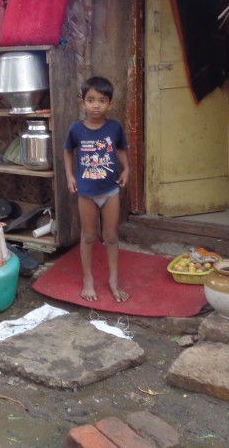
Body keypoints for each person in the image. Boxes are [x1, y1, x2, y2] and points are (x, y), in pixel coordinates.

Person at [63, 76, 130, 302]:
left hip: (110, 191)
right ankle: (88, 279)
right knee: (89, 236)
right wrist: (70, 175)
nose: (96, 105)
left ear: (110, 104)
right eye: (91, 100)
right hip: (86, 193)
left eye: (102, 100)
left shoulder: (114, 128)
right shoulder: (76, 129)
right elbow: (67, 151)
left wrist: (126, 169)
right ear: (83, 102)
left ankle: (113, 280)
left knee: (110, 236)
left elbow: (120, 148)